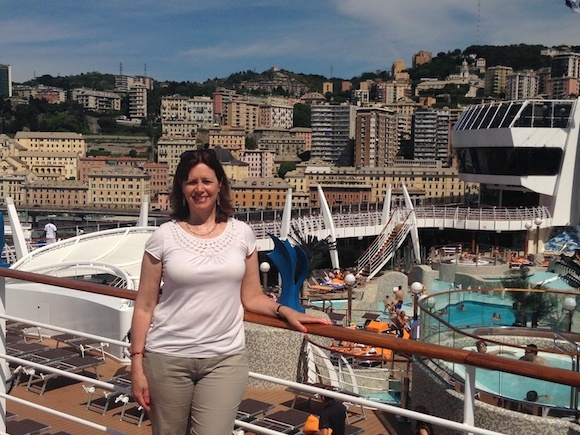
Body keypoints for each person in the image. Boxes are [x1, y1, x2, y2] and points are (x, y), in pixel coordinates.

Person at [129, 148, 331, 435]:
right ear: (181, 188)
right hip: (167, 357)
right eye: (191, 182)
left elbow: (251, 297)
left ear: (219, 184)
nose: (200, 189)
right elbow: (145, 306)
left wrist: (283, 309)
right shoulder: (162, 237)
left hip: (224, 360)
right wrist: (136, 365)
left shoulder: (242, 234)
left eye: (207, 181)